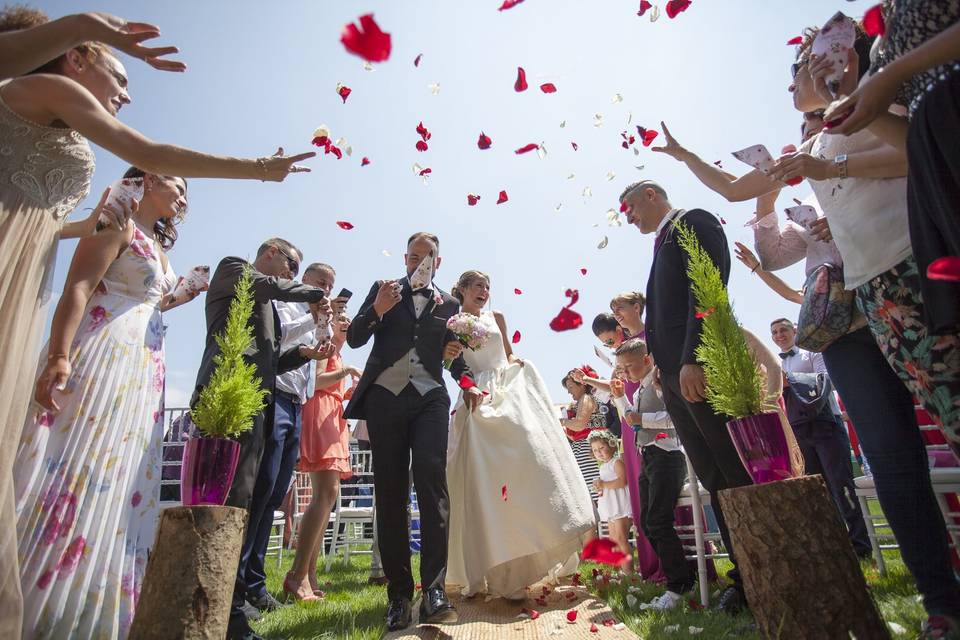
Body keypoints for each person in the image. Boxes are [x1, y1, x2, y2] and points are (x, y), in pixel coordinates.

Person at [0, 10, 313, 631]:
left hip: (136, 354)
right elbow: (88, 269)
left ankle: (88, 601)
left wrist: (173, 294)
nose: (126, 92)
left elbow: (65, 228)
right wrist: (258, 168)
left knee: (117, 475)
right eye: (118, 75)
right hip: (87, 330)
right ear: (76, 56)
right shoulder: (51, 91)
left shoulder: (141, 230)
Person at [653, 24, 960, 632]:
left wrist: (830, 153)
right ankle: (942, 603)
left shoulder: (877, 100)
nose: (795, 82)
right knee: (891, 458)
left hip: (918, 276)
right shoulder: (812, 145)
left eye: (800, 69)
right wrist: (685, 156)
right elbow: (741, 189)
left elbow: (911, 151)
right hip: (862, 304)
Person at [14, 167, 201, 638]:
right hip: (100, 352)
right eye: (178, 186)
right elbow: (78, 285)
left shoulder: (157, 246)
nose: (183, 197)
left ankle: (92, 605)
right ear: (146, 181)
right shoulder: (116, 220)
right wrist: (59, 354)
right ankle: (34, 598)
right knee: (77, 460)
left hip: (142, 367)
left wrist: (183, 292)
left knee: (119, 474)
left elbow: (148, 302)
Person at [620, 178, 753, 614]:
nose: (630, 217)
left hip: (698, 367)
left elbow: (708, 290)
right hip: (673, 376)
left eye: (631, 207)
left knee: (732, 469)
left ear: (651, 195)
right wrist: (662, 365)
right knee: (713, 476)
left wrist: (694, 357)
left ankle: (757, 571)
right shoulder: (661, 244)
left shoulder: (692, 222)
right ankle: (744, 578)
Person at [193, 239, 333, 640]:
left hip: (257, 401)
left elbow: (271, 362)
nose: (290, 273)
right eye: (290, 264)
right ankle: (221, 607)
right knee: (225, 504)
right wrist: (318, 295)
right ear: (269, 250)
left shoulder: (268, 303)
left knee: (248, 498)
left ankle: (232, 604)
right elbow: (274, 287)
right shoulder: (234, 269)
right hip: (226, 400)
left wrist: (304, 354)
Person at [344, 232, 481, 632]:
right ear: (405, 258)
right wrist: (377, 310)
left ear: (438, 263)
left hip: (429, 398)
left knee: (432, 483)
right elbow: (354, 338)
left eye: (428, 256)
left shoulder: (451, 304)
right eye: (414, 255)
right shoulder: (382, 289)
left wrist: (468, 382)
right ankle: (399, 595)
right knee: (390, 494)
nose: (420, 261)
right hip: (385, 397)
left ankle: (434, 591)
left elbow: (453, 359)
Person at [445, 270, 594, 599]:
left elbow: (508, 352)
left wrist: (519, 363)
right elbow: (451, 363)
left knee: (526, 464)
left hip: (509, 390)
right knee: (482, 476)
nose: (484, 291)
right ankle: (493, 567)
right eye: (478, 286)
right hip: (476, 394)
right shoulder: (451, 323)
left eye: (488, 285)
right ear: (463, 289)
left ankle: (527, 557)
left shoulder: (496, 316)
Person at [825, 2, 960, 339]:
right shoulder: (888, 21)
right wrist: (850, 102)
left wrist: (894, 74)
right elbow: (906, 139)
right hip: (938, 165)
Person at [769, 319, 871, 557]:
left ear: (794, 330)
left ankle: (861, 546)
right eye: (774, 332)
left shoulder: (812, 353)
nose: (779, 335)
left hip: (826, 425)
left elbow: (828, 380)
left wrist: (790, 381)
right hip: (797, 428)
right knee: (816, 489)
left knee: (841, 485)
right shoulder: (774, 364)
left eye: (783, 329)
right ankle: (833, 546)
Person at [287, 306, 363, 601]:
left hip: (334, 417)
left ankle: (309, 572)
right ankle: (297, 573)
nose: (345, 322)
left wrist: (347, 392)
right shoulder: (325, 348)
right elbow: (316, 382)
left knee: (328, 496)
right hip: (320, 417)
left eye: (347, 320)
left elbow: (330, 386)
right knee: (325, 493)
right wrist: (344, 373)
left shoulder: (338, 353)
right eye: (340, 318)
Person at [610, 337, 691, 610]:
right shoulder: (638, 390)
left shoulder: (659, 383)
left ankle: (679, 585)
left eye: (629, 367)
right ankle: (678, 575)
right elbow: (632, 422)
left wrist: (642, 420)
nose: (625, 372)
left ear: (647, 360)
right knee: (646, 522)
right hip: (649, 459)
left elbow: (676, 418)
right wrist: (620, 397)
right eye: (621, 368)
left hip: (667, 456)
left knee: (658, 521)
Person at [588, 430, 633, 569]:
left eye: (602, 448)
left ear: (612, 445)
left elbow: (622, 481)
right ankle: (620, 568)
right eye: (595, 450)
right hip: (611, 506)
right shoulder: (602, 466)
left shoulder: (617, 462)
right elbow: (606, 485)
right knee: (613, 539)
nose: (599, 452)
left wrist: (604, 484)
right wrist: (599, 486)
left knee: (621, 538)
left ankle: (629, 572)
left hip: (620, 505)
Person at [560, 371, 606, 507]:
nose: (569, 392)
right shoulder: (583, 400)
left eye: (571, 387)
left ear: (581, 385)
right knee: (593, 499)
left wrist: (561, 421)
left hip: (590, 453)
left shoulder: (586, 398)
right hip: (586, 451)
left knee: (597, 498)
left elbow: (580, 424)